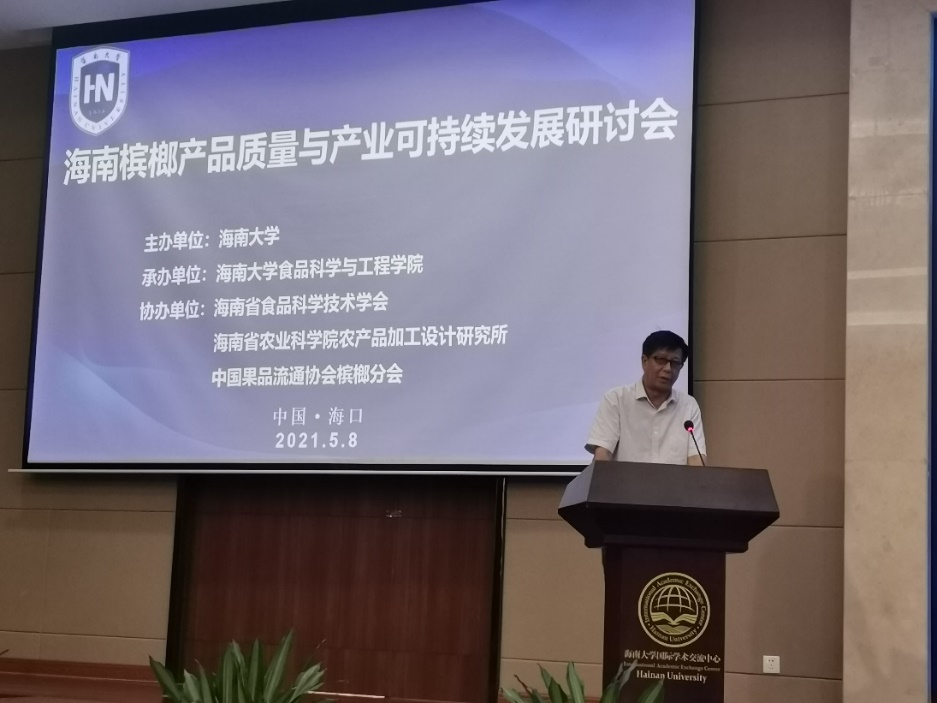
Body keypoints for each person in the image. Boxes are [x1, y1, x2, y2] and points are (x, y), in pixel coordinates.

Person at [585, 330, 706, 466]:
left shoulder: (688, 405)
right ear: (644, 361)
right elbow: (603, 454)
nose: (668, 368)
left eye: (675, 363)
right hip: (625, 480)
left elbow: (696, 459)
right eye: (661, 360)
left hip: (674, 481)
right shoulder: (616, 400)